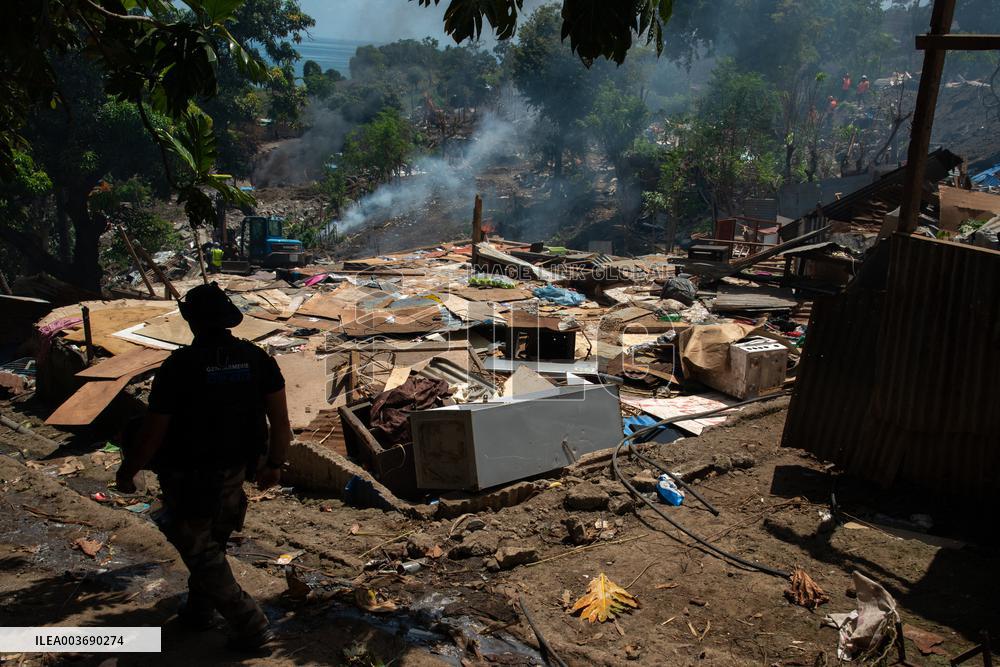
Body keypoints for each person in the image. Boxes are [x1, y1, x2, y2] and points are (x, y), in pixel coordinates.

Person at [116, 282, 291, 651]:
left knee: (199, 547)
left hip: (189, 472)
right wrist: (275, 463)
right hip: (236, 470)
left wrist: (129, 469)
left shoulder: (179, 366)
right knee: (213, 540)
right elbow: (280, 420)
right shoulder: (258, 359)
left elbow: (153, 430)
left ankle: (252, 625)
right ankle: (199, 610)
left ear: (191, 321)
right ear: (229, 320)